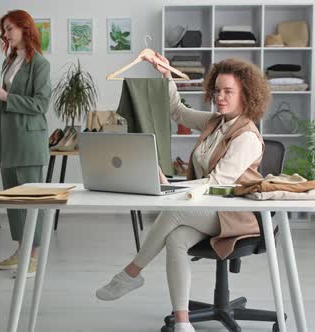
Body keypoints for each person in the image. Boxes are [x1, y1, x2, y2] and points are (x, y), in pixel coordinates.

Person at [95, 55, 271, 332]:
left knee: (175, 211)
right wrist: (167, 76)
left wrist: (171, 186)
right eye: (217, 90)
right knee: (176, 238)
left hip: (236, 214)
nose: (220, 97)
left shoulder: (246, 136)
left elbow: (216, 183)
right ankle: (182, 322)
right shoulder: (216, 121)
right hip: (207, 209)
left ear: (246, 95)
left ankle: (131, 273)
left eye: (228, 92)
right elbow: (177, 110)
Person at [0, 10, 52, 277]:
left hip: (28, 141)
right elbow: (3, 100)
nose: (5, 34)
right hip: (7, 139)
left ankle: (33, 259)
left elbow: (40, 105)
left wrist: (6, 96)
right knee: (13, 202)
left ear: (25, 29)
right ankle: (21, 252)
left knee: (30, 202)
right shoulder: (9, 62)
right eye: (4, 29)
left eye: (10, 28)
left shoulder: (39, 64)